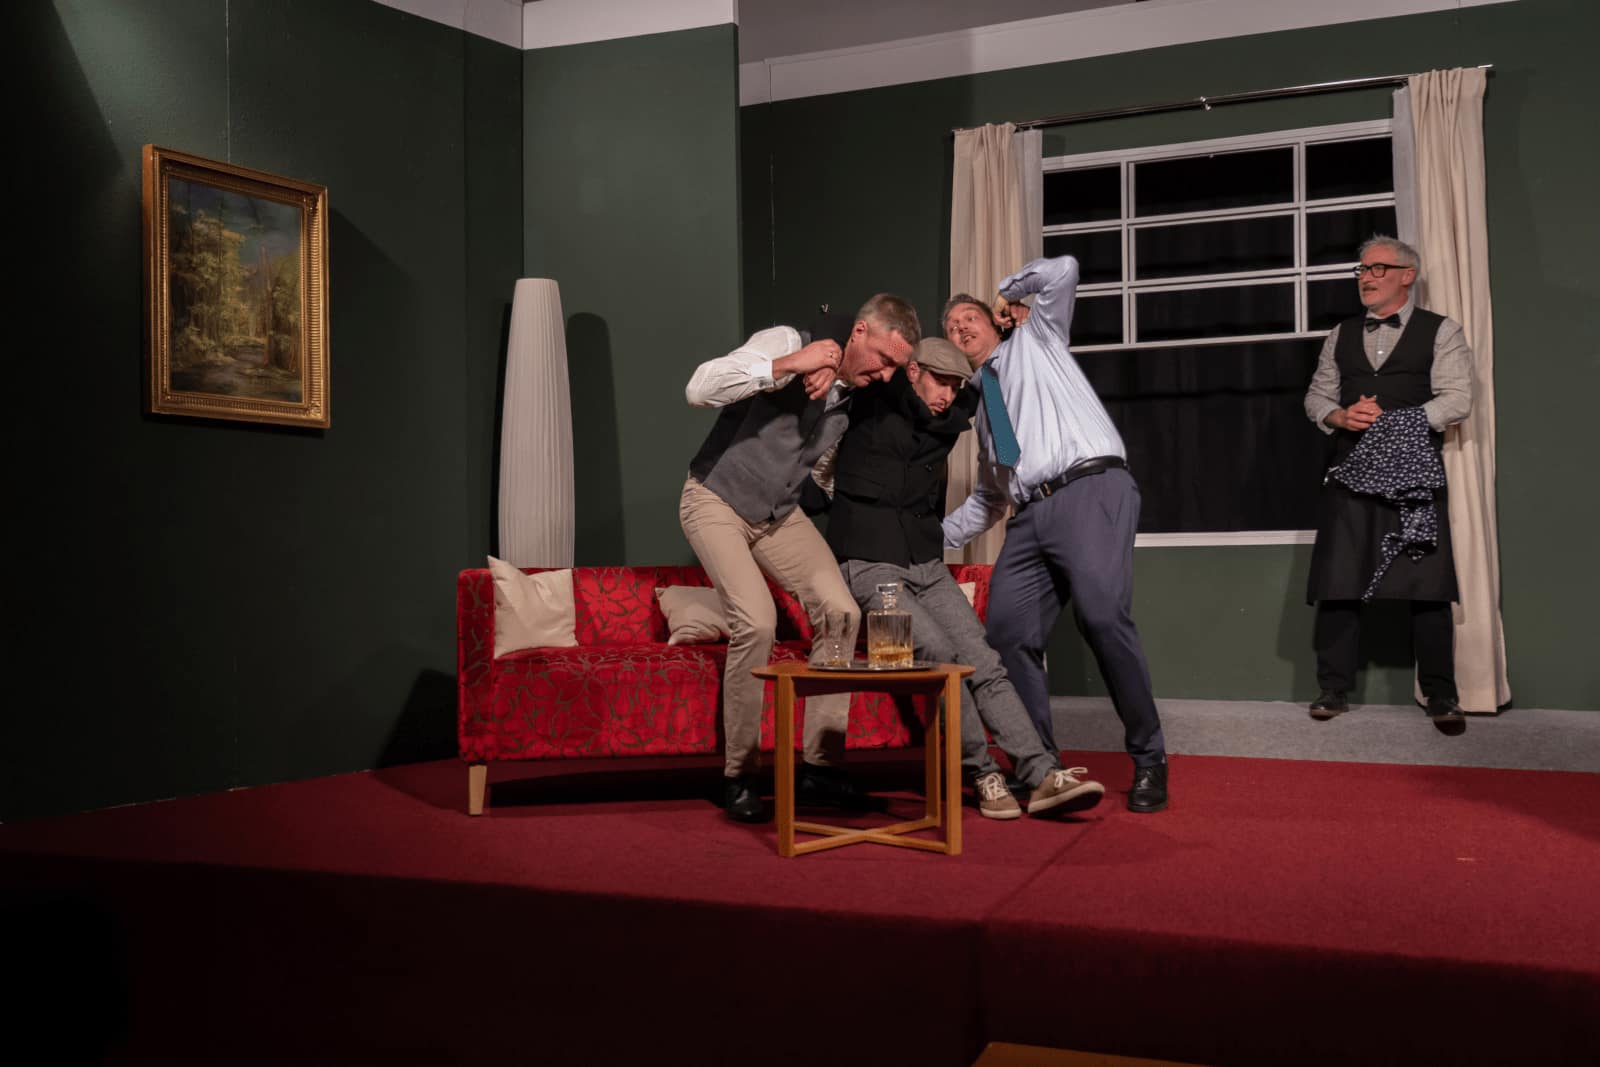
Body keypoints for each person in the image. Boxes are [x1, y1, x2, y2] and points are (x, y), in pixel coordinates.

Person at [825, 336, 1105, 820]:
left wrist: (999, 340)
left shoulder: (950, 419)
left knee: (985, 661)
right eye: (940, 382)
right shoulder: (875, 395)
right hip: (870, 563)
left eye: (956, 386)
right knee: (940, 653)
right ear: (913, 371)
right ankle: (982, 772)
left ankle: (1040, 774)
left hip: (926, 563)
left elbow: (994, 382)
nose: (948, 395)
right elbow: (853, 346)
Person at [941, 256, 1169, 813]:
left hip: (1088, 487)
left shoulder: (1036, 339)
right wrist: (923, 538)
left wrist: (1006, 290)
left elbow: (1064, 269)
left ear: (996, 321)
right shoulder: (982, 414)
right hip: (1027, 516)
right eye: (950, 327)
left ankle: (1149, 758)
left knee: (1101, 616)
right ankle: (1040, 767)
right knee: (1005, 634)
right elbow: (989, 499)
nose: (960, 328)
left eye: (969, 317)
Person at [681, 295, 920, 823]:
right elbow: (699, 388)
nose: (885, 375)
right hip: (715, 498)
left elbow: (820, 466)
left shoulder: (854, 393)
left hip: (777, 514)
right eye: (883, 359)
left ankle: (821, 768)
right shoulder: (789, 341)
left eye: (895, 368)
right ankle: (741, 774)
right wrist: (790, 364)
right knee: (756, 623)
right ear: (859, 332)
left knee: (842, 612)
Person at [1302, 236, 1473, 731]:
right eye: (1361, 269)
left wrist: (1396, 422)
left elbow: (1457, 399)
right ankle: (1332, 689)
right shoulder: (1341, 334)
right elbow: (1316, 397)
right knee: (1339, 581)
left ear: (1406, 275)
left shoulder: (1441, 330)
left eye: (1377, 268)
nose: (1366, 277)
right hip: (1350, 471)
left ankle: (1441, 694)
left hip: (1412, 475)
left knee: (1427, 585)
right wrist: (1339, 415)